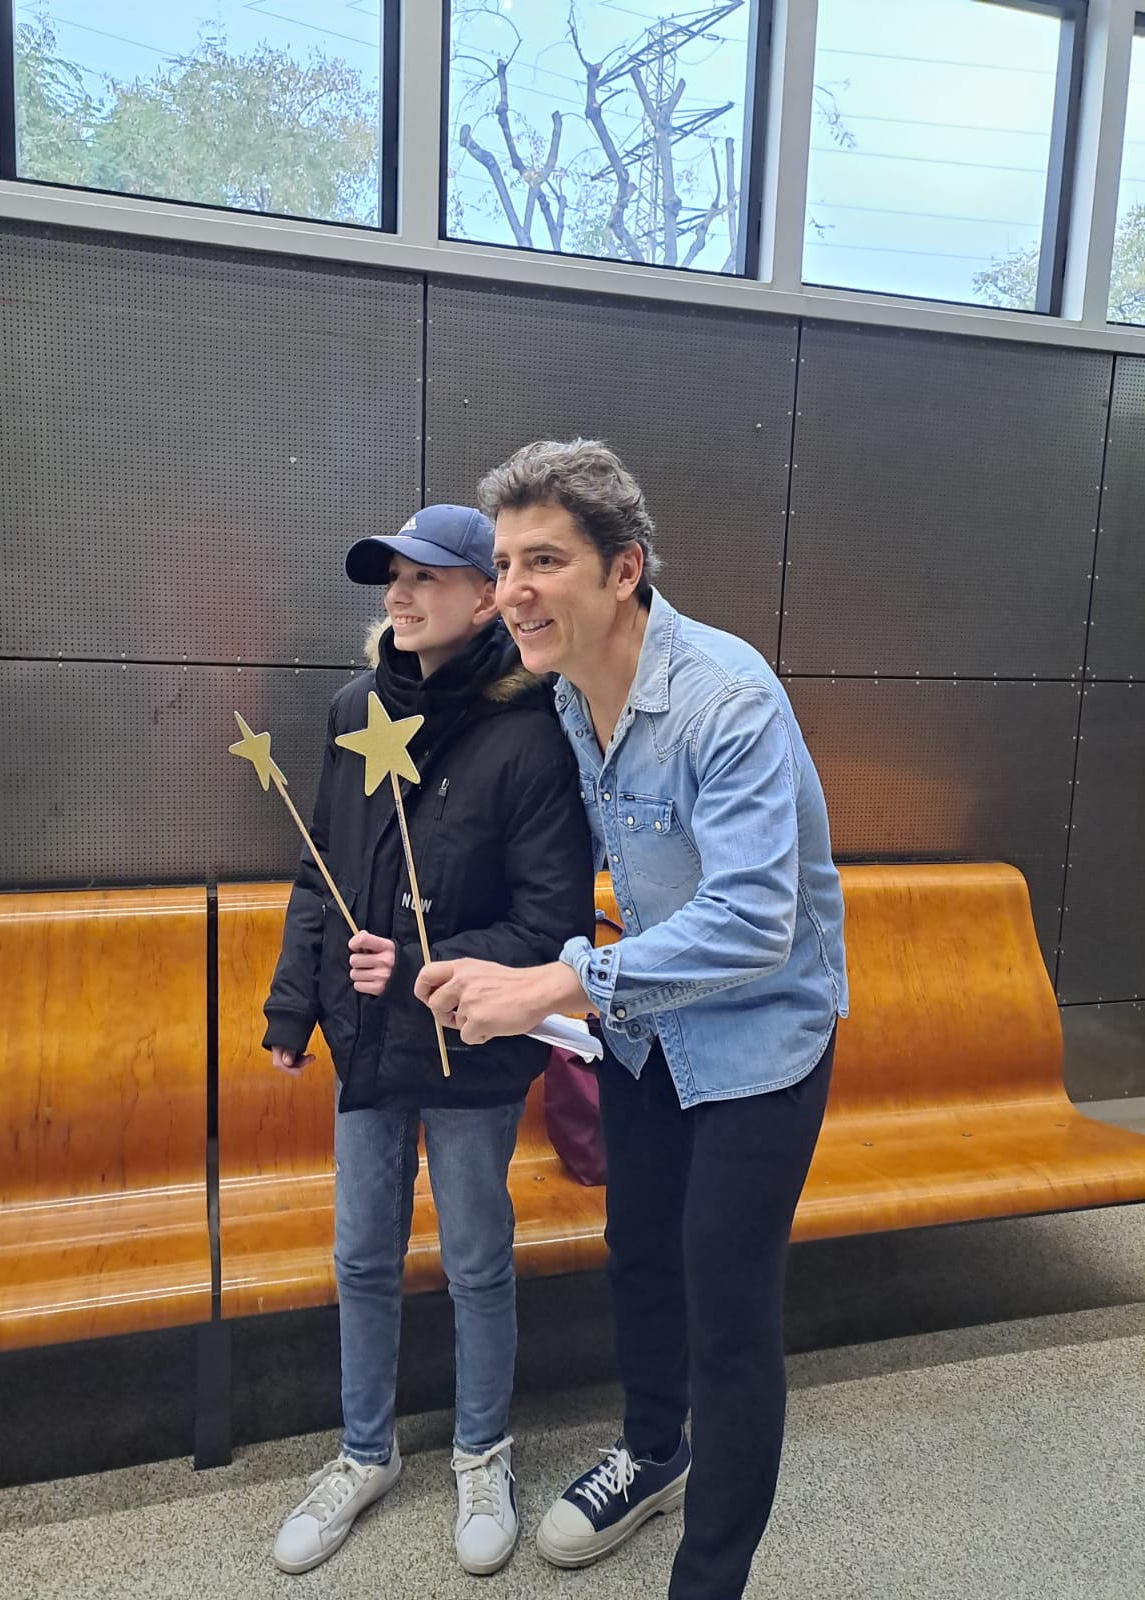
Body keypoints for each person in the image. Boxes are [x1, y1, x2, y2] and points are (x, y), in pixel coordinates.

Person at [415, 442, 848, 1600]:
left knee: (726, 1306)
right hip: (650, 1027)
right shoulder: (566, 688)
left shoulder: (726, 699)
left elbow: (753, 921)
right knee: (641, 1256)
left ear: (624, 571)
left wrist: (552, 985)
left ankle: (707, 1579)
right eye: (505, 562)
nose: (514, 589)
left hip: (761, 1039)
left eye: (544, 560)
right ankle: (655, 1453)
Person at [263, 503, 593, 1579]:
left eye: (425, 577)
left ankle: (481, 1452)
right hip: (365, 1039)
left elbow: (551, 926)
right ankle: (365, 1453)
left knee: (475, 1259)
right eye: (390, 578)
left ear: (485, 596)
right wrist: (292, 1006)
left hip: (472, 1044)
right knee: (361, 1253)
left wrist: (416, 963)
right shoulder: (356, 708)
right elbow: (320, 867)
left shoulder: (536, 727)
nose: (398, 596)